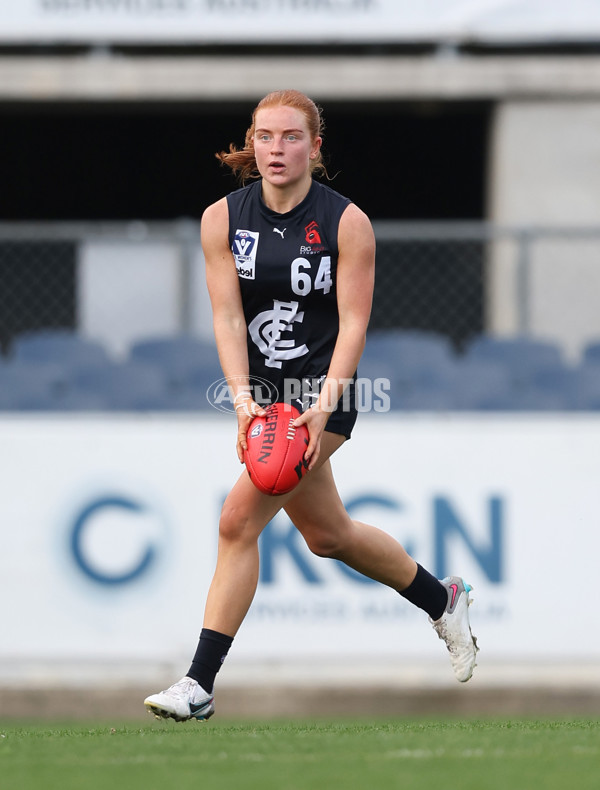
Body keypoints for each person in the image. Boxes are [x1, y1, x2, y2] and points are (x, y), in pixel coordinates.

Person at [144, 89, 478, 722]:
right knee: (330, 536)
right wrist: (242, 401)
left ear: (314, 147)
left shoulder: (346, 222)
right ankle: (443, 599)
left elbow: (353, 324)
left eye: (291, 137)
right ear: (251, 141)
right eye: (265, 136)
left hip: (323, 393)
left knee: (237, 520)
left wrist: (323, 407)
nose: (277, 149)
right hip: (264, 395)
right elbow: (226, 315)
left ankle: (199, 683)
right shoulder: (222, 219)